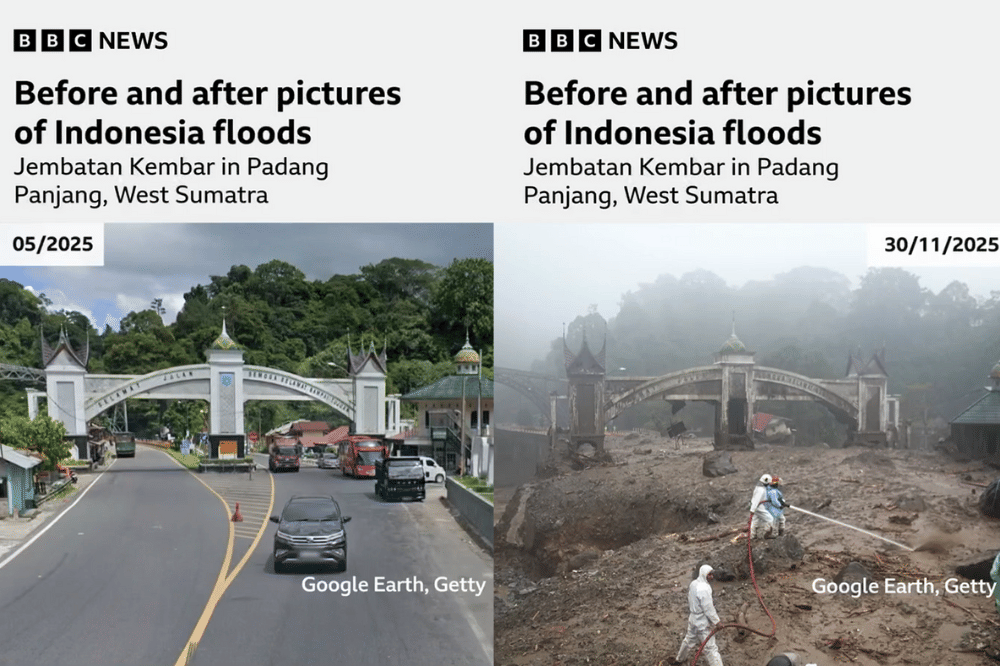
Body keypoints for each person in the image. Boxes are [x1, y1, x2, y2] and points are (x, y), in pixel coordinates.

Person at [675, 564, 724, 666]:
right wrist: (717, 622)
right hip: (702, 622)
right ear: (704, 574)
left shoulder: (694, 584)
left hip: (693, 619)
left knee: (688, 641)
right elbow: (708, 608)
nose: (712, 577)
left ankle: (679, 659)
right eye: (709, 574)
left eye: (712, 574)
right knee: (711, 648)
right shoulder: (704, 588)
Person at [749, 474, 774, 540]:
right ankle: (767, 533)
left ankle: (752, 535)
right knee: (770, 519)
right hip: (758, 507)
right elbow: (756, 500)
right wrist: (752, 509)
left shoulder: (760, 488)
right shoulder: (761, 490)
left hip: (757, 506)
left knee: (755, 521)